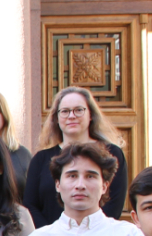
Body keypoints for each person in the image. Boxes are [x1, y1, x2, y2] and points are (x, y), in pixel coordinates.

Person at [25, 87, 127, 227]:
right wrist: (53, 234)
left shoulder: (112, 153)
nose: (71, 116)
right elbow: (30, 205)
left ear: (90, 115)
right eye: (65, 111)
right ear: (56, 118)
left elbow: (115, 202)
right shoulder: (40, 159)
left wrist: (88, 231)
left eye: (79, 110)